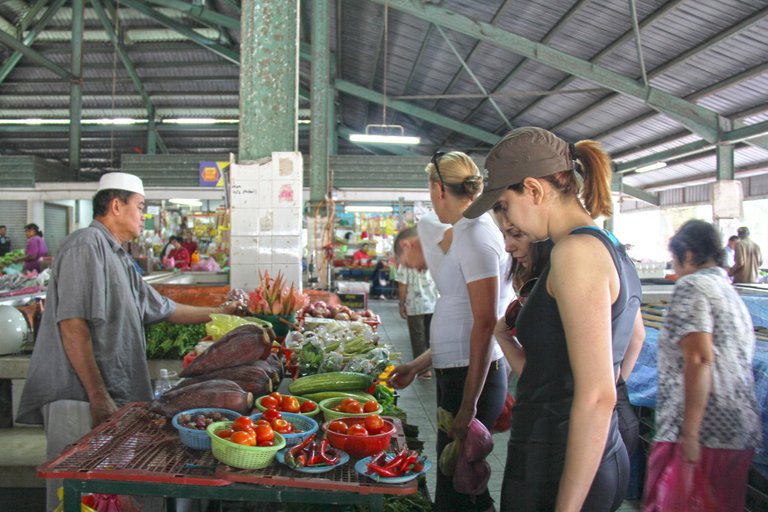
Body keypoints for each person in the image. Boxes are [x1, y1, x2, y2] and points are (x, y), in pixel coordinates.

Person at [16, 172, 246, 511]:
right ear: (115, 205)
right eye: (140, 207)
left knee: (105, 490)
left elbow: (163, 308)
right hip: (77, 393)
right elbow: (72, 325)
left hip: (105, 392)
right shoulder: (86, 245)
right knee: (74, 489)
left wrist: (222, 313)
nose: (143, 216)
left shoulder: (120, 257)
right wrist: (97, 395)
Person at [464, 126, 642, 511]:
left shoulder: (576, 253)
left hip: (559, 460)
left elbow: (596, 396)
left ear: (533, 190)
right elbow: (628, 342)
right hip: (584, 451)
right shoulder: (605, 244)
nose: (509, 224)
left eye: (506, 206)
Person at [389, 151, 510, 512]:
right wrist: (419, 363)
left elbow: (485, 321)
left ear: (440, 188)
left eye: (429, 191)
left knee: (463, 482)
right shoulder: (465, 229)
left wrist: (468, 407)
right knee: (455, 477)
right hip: (458, 371)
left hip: (472, 379)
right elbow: (463, 323)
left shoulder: (475, 234)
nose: (431, 200)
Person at [492, 212, 644, 461]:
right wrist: (613, 387)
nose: (508, 246)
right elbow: (636, 335)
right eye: (505, 235)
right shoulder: (609, 253)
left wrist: (603, 395)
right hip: (614, 418)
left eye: (516, 234)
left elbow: (540, 377)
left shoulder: (562, 277)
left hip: (570, 427)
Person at [643, 219, 761, 511]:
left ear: (690, 255)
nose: (675, 268)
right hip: (737, 431)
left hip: (704, 432)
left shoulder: (692, 287)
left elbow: (698, 358)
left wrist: (690, 435)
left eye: (675, 259)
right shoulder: (729, 293)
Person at [394, 250, 439, 379]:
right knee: (432, 336)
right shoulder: (434, 257)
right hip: (434, 303)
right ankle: (432, 365)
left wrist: (401, 304)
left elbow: (402, 284)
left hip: (414, 304)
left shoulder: (406, 259)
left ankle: (423, 370)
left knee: (418, 337)